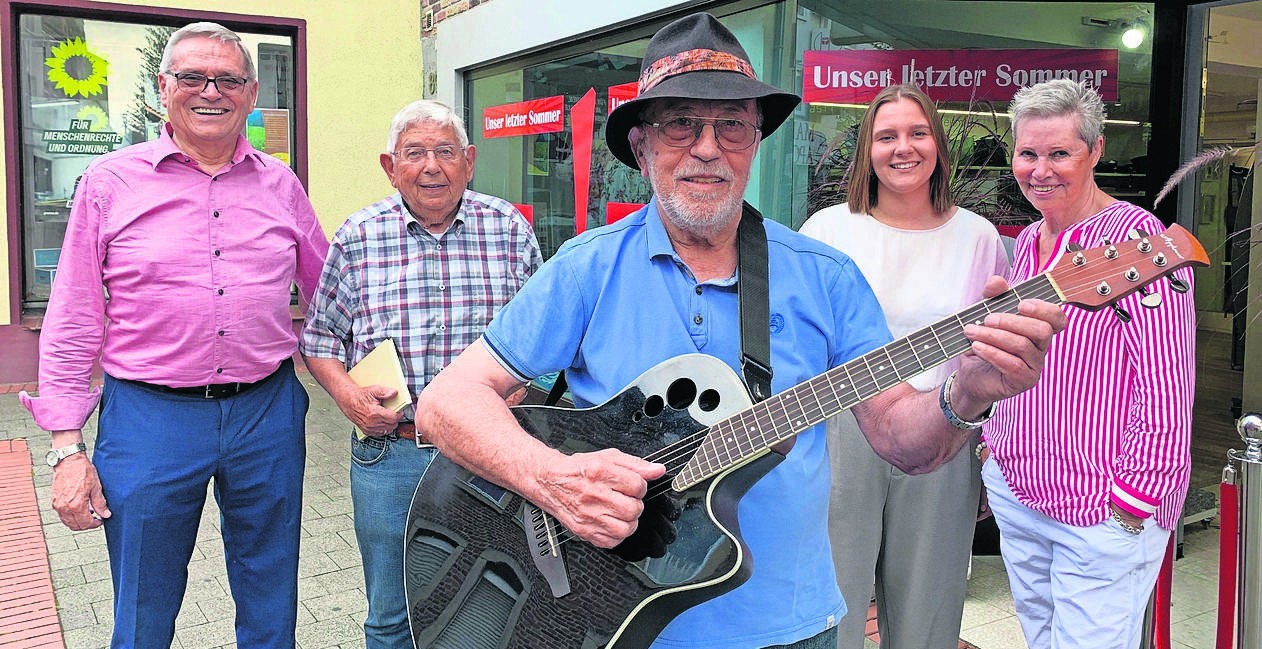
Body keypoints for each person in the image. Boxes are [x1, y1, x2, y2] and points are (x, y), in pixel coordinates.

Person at [415, 13, 1062, 649]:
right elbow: (446, 403)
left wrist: (966, 394)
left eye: (731, 126)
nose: (707, 147)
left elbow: (901, 439)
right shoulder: (588, 267)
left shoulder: (825, 275)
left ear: (756, 142)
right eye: (680, 125)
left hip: (791, 624)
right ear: (642, 148)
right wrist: (552, 478)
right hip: (610, 622)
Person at [17, 22, 328, 648]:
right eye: (192, 77)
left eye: (228, 79)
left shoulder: (280, 184)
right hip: (147, 417)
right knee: (143, 601)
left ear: (248, 92)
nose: (210, 90)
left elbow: (329, 292)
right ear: (165, 88)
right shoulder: (109, 183)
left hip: (266, 410)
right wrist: (66, 449)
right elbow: (74, 315)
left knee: (272, 591)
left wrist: (368, 380)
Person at [299, 99, 541, 648]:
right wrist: (348, 399)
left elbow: (544, 340)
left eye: (445, 151)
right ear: (390, 166)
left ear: (470, 160)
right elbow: (318, 340)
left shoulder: (508, 229)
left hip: (491, 454)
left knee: (494, 603)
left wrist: (523, 387)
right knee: (392, 614)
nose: (431, 166)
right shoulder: (358, 236)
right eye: (415, 153)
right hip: (393, 456)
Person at [979, 78, 1196, 649]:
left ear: (1096, 151)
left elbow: (1168, 389)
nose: (1040, 170)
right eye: (1028, 153)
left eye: (1060, 153)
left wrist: (1131, 506)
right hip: (1021, 490)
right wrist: (995, 452)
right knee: (1040, 637)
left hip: (1100, 509)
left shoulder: (1139, 241)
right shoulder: (1026, 241)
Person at [799, 84, 1009, 649]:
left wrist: (987, 439)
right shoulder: (827, 230)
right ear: (867, 148)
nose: (903, 148)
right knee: (830, 601)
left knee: (929, 607)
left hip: (943, 426)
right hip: (841, 430)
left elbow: (991, 354)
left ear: (937, 144)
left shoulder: (979, 237)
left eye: (917, 133)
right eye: (887, 135)